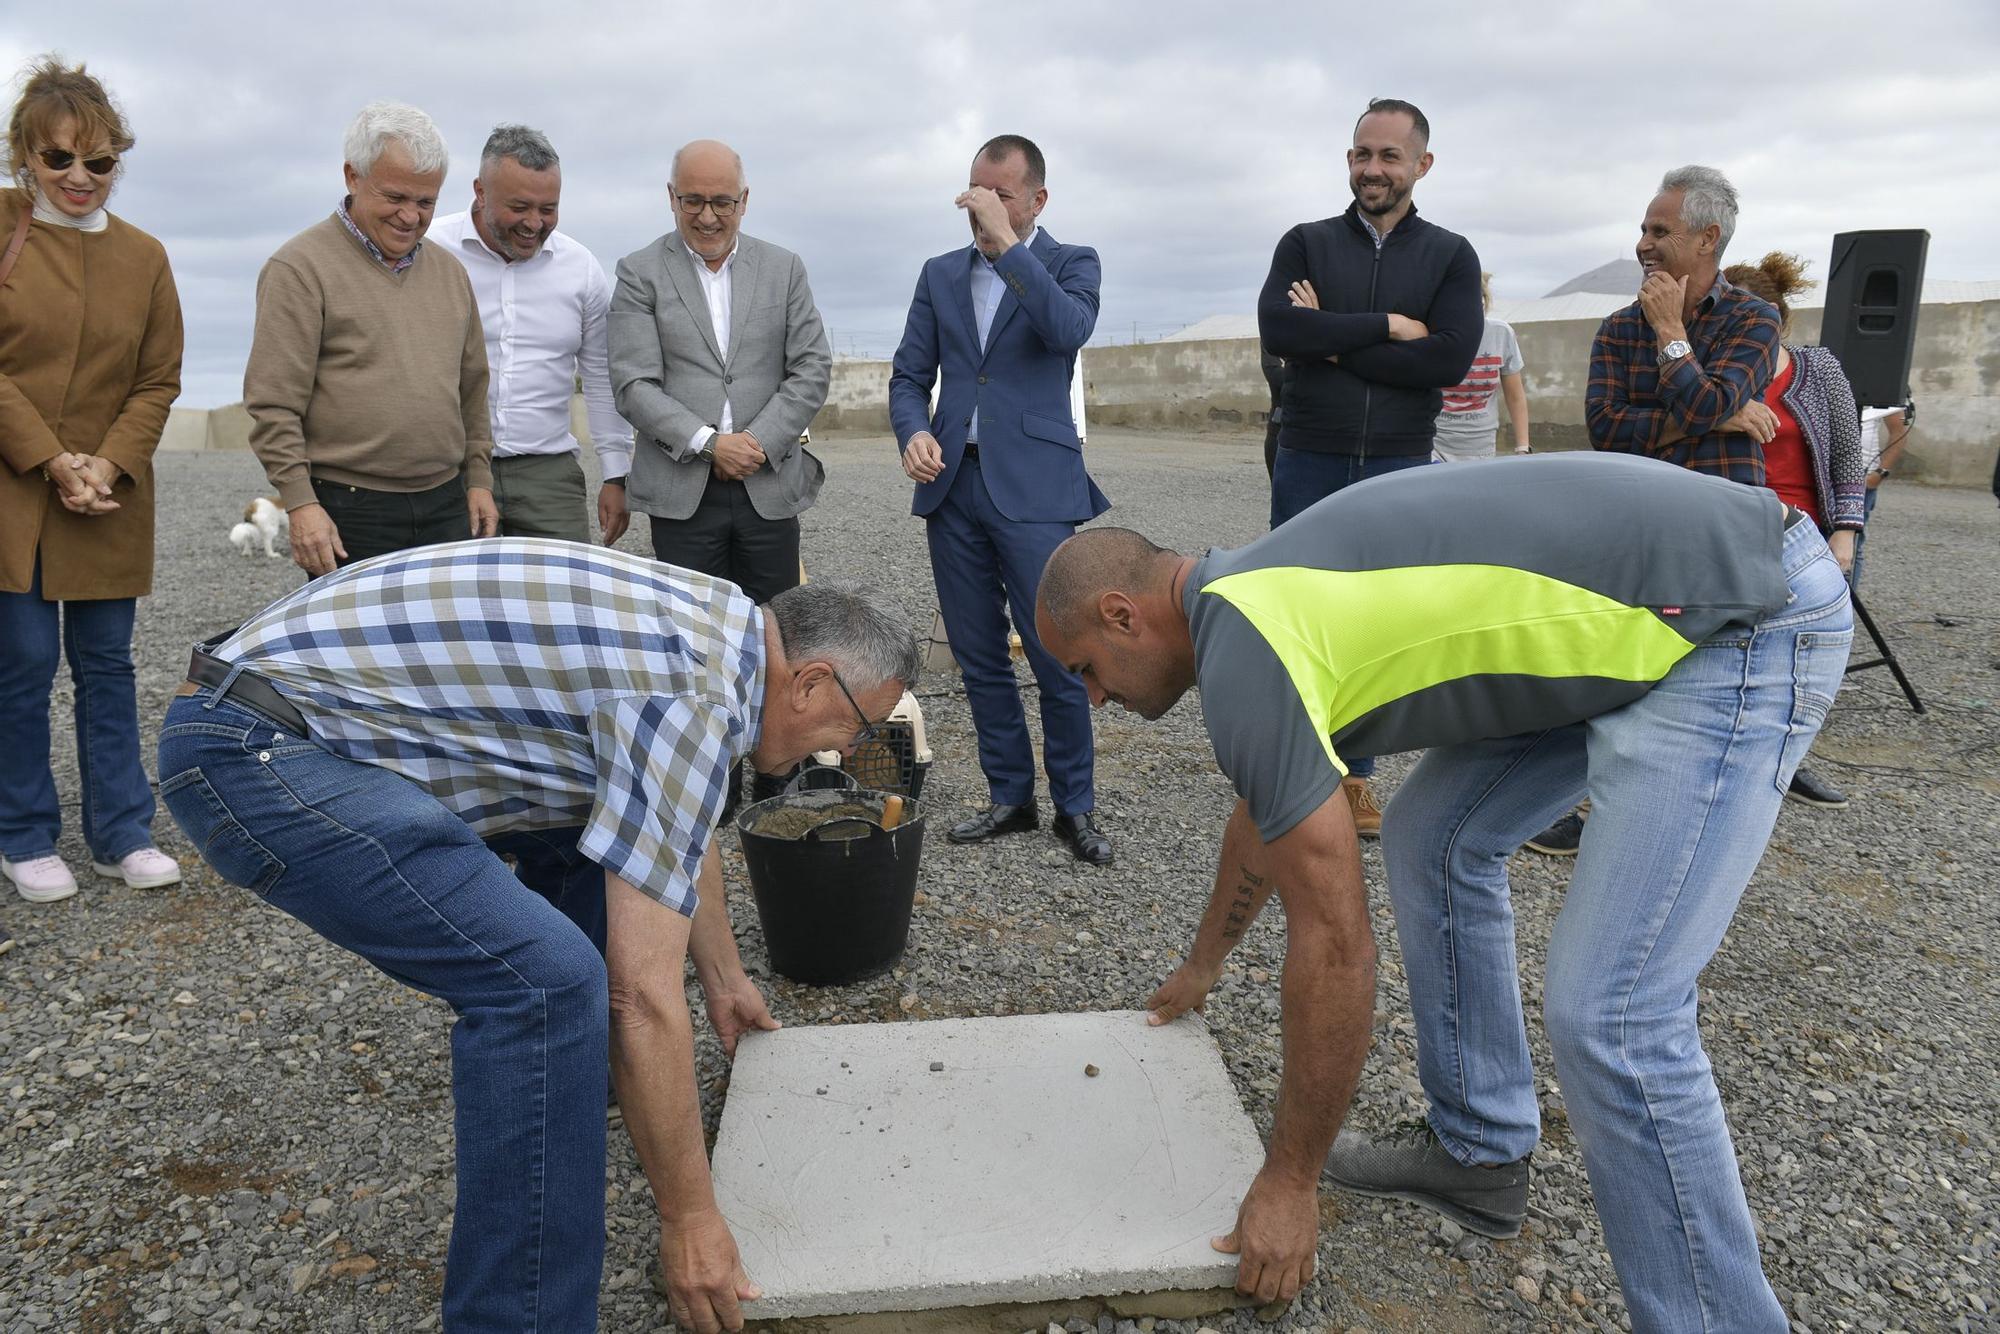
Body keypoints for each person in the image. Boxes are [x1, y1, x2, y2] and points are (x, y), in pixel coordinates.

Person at [1035, 453, 1848, 1332]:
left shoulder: (1249, 643)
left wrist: (1289, 1180)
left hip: (1736, 616)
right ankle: (1481, 1151)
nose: (1093, 699)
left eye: (1085, 668)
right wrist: (1204, 964)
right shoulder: (1246, 601)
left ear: (1123, 615)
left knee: (1613, 1015)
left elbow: (1337, 942)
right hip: (1649, 607)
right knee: (1433, 837)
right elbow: (1267, 813)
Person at [157, 540, 920, 1332]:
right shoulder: (694, 692)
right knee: (547, 986)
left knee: (592, 864)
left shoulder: (718, 632)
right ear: (811, 680)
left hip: (269, 710)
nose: (841, 751)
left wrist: (725, 982)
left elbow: (671, 835)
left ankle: (566, 1107)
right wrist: (690, 1221)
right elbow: (642, 994)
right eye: (855, 726)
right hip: (254, 753)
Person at [1527, 165, 1782, 857]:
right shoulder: (1615, 328)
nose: (1642, 242)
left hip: (1716, 535)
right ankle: (1591, 813)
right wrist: (1719, 415)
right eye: (1642, 227)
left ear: (1708, 238)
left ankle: (1681, 826)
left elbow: (1698, 403)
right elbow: (1607, 427)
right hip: (1633, 531)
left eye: (1658, 230)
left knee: (1702, 681)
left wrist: (1671, 334)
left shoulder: (1755, 318)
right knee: (1618, 678)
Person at [1256, 97, 1482, 835]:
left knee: (1377, 623)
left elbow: (1446, 359)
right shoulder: (1307, 242)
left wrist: (1329, 339)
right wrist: (1387, 328)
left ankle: (1354, 777)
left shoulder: (1449, 255)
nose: (1372, 169)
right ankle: (1294, 763)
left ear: (1422, 164)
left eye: (1389, 156)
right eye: (1362, 154)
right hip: (1308, 453)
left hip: (1396, 462)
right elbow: (1278, 327)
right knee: (1298, 611)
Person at [888, 134, 1113, 865]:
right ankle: (1010, 796)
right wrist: (914, 431)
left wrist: (1008, 246)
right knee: (980, 655)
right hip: (953, 484)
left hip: (1040, 488)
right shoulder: (939, 274)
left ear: (1037, 200)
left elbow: (1067, 329)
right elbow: (907, 376)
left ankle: (1074, 807)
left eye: (999, 195)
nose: (979, 208)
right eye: (972, 194)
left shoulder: (1070, 262)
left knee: (1058, 655)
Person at [1, 57, 184, 903]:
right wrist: (50, 457)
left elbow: (157, 379)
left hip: (110, 491)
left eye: (100, 161)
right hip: (13, 486)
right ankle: (24, 834)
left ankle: (121, 833)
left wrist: (106, 462)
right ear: (24, 158)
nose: (80, 178)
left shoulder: (146, 256)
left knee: (107, 665)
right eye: (59, 159)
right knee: (24, 663)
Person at [610, 139, 831, 812]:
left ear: (744, 200)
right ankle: (713, 782)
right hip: (684, 492)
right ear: (671, 197)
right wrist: (709, 443)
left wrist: (756, 443)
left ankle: (777, 770)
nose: (708, 217)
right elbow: (634, 382)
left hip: (768, 488)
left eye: (722, 202)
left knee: (775, 637)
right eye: (693, 201)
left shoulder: (784, 268)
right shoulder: (639, 271)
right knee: (693, 644)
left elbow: (811, 368)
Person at [245, 101, 496, 577]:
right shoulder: (298, 270)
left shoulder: (450, 274)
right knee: (354, 653)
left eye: (426, 203)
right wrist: (301, 505)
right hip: (349, 510)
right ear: (352, 176)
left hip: (446, 503)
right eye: (395, 197)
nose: (410, 216)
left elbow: (473, 390)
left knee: (442, 649)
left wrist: (479, 480)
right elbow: (273, 404)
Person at [429, 125, 633, 545]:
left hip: (549, 476)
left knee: (563, 603)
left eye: (549, 209)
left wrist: (616, 473)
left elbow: (599, 375)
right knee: (458, 601)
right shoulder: (431, 252)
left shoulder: (581, 268)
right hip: (450, 472)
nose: (534, 223)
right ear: (480, 192)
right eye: (519, 207)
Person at [1724, 251, 1870, 808]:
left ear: (1781, 322)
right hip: (1732, 531)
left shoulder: (1819, 370)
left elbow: (1847, 457)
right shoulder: (1709, 375)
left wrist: (1846, 533)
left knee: (1799, 661)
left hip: (1805, 538)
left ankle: (1789, 760)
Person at [1431, 272, 1529, 461]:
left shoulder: (1501, 333)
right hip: (1434, 444)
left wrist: (1523, 448)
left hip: (1481, 446)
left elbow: (1515, 396)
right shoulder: (1430, 331)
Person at [1852, 402, 1909, 588]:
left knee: (1852, 545)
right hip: (1818, 473)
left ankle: (1844, 606)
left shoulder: (1881, 378)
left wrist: (1880, 473)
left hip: (1861, 476)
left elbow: (1898, 430)